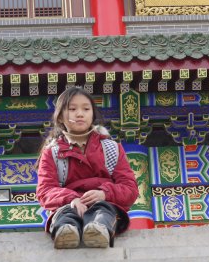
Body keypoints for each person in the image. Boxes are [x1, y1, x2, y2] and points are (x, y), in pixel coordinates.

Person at [36, 86, 138, 249]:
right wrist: (72, 199)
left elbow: (130, 188)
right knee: (66, 213)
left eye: (86, 109)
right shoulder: (52, 153)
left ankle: (98, 230)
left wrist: (104, 194)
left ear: (92, 115)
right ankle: (65, 232)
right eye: (72, 109)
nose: (80, 114)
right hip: (68, 205)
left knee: (102, 211)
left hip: (105, 205)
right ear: (60, 117)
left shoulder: (111, 148)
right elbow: (45, 191)